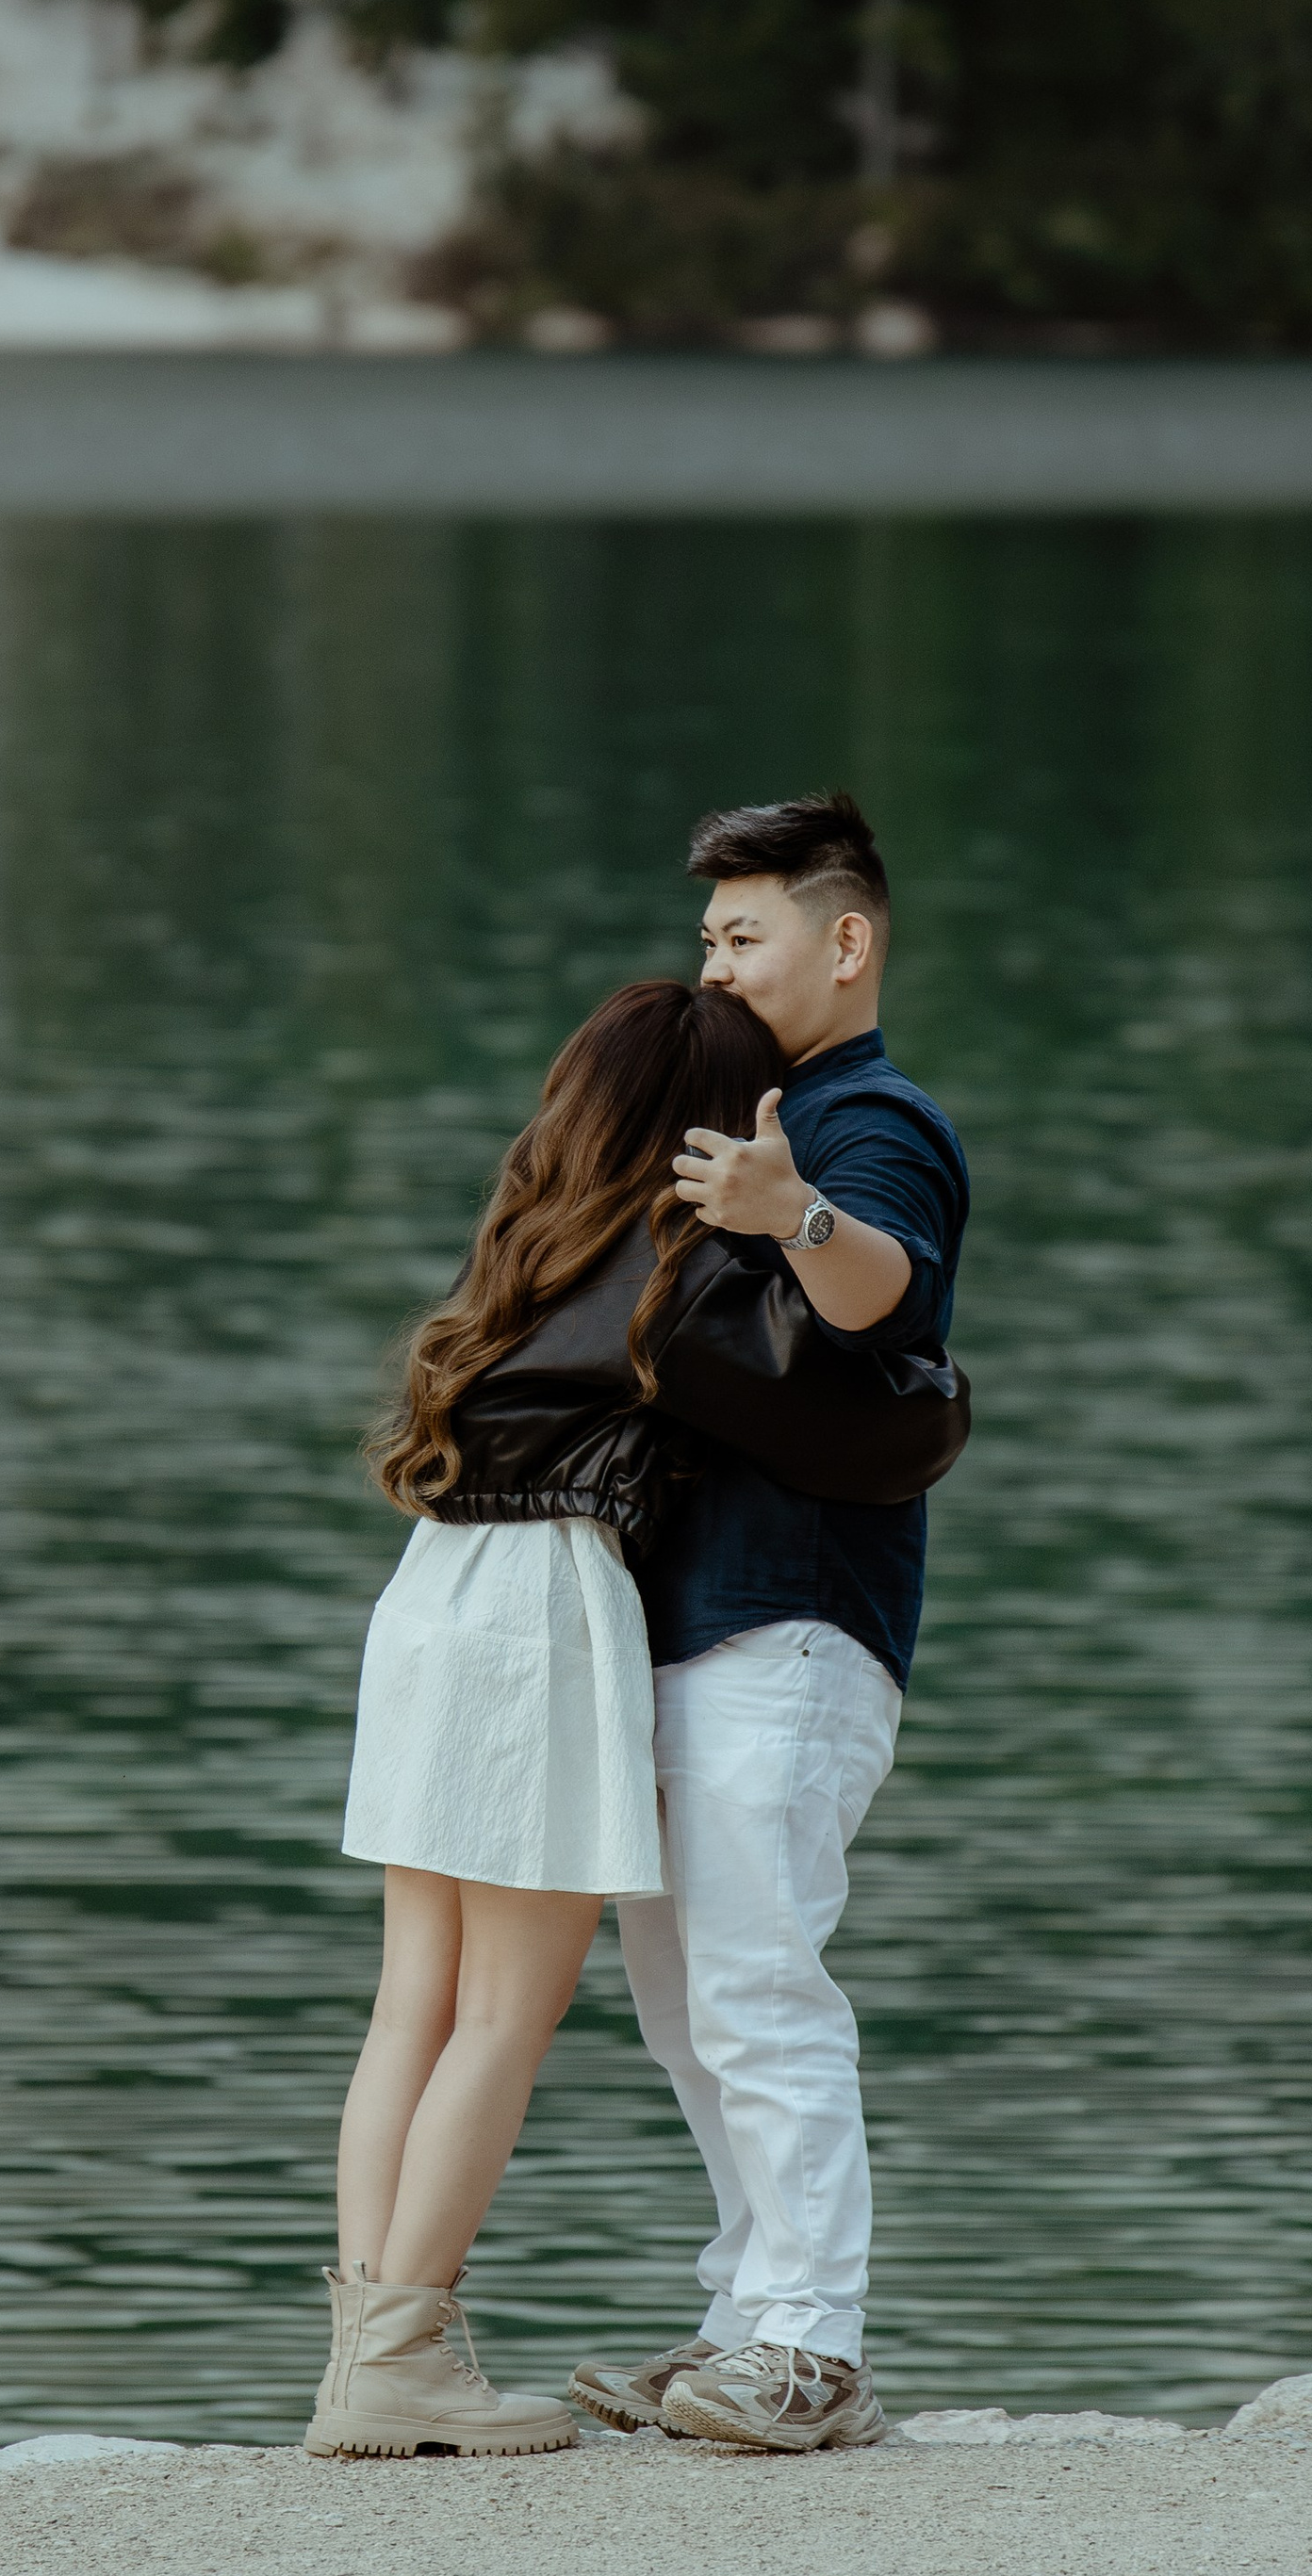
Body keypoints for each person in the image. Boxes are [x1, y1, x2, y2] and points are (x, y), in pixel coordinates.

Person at [311, 973, 957, 2461]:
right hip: (542, 1614)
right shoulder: (679, 1267)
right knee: (503, 2011)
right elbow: (879, 1422)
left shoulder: (526, 1237)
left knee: (411, 2003)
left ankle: (364, 2351)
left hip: (428, 1597)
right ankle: (406, 2351)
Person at [571, 788, 970, 2457]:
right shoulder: (761, 1115)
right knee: (684, 2002)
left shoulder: (872, 1121)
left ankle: (815, 2342)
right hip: (690, 1625)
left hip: (794, 1626)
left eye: (745, 935)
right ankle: (745, 2311)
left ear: (847, 938)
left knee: (756, 1981)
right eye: (708, 938)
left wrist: (793, 1212)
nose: (717, 967)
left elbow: (890, 1289)